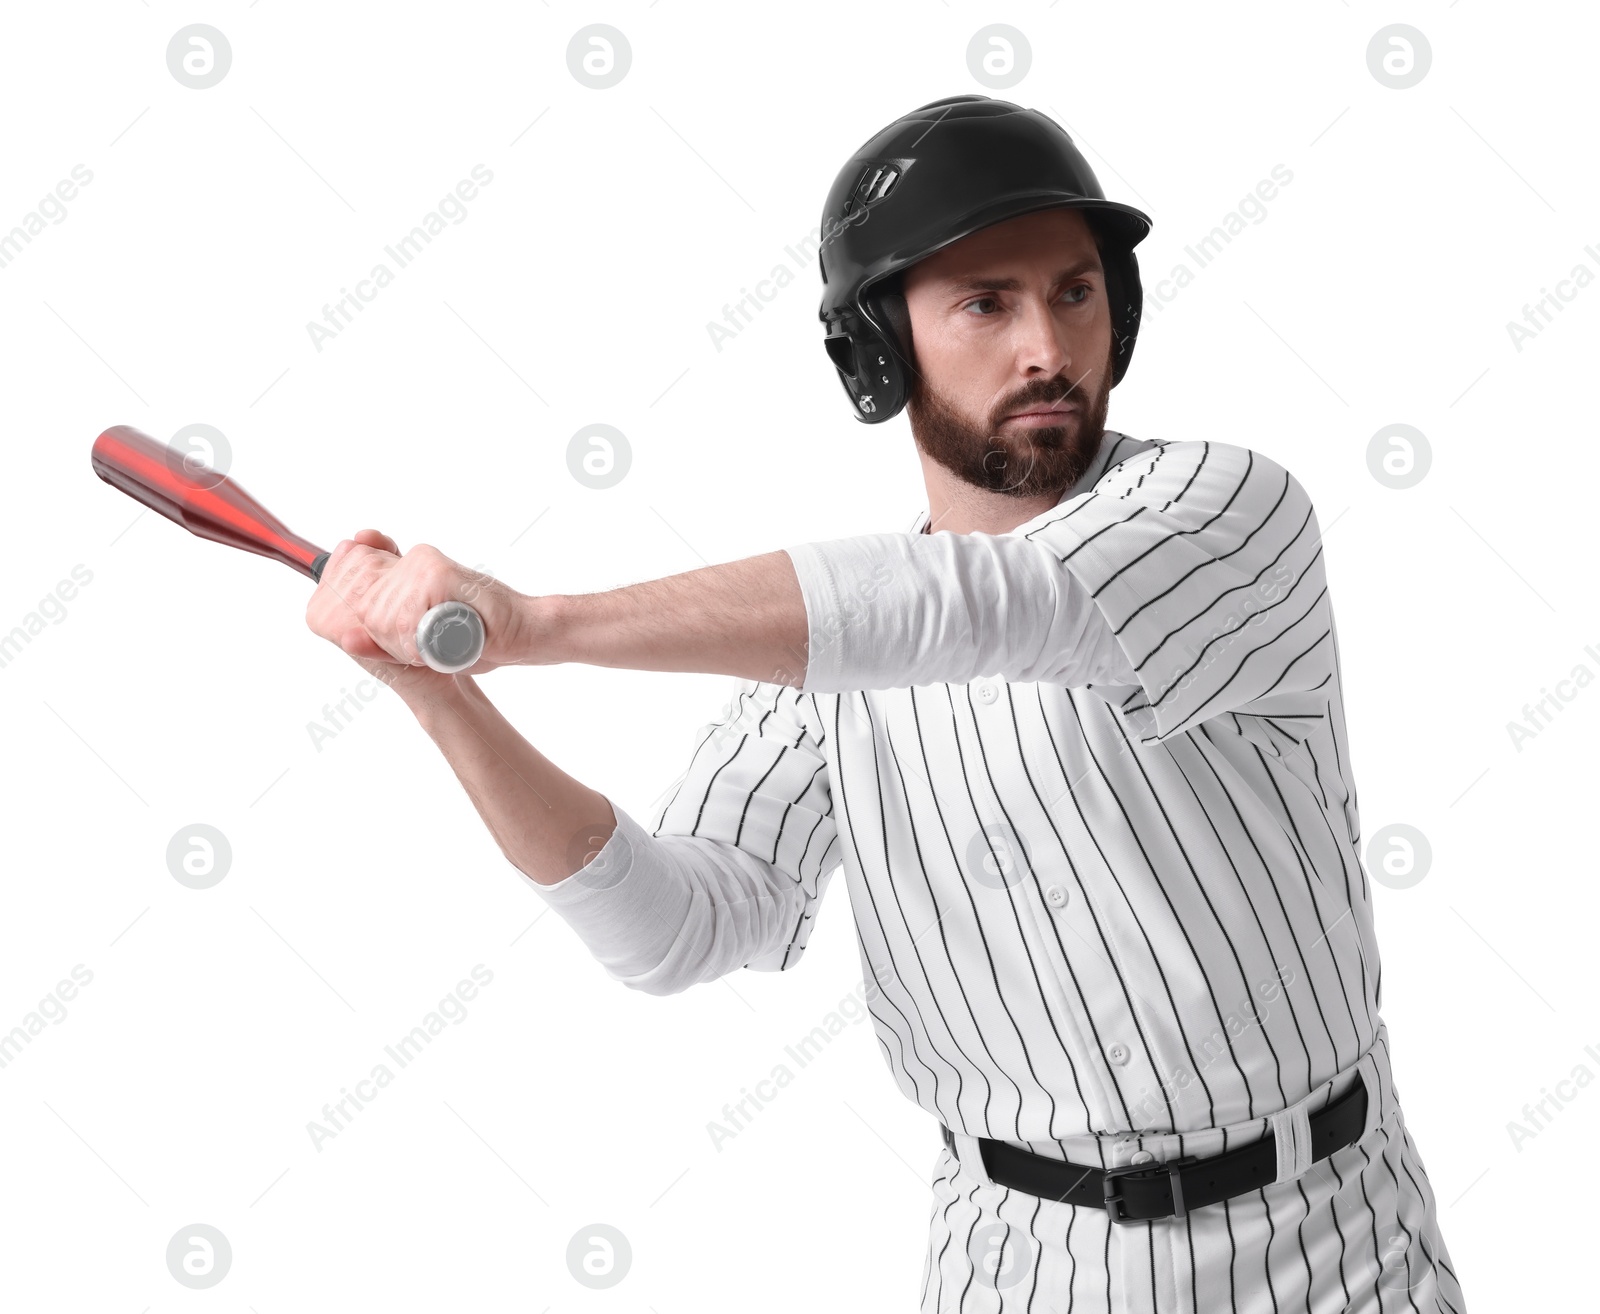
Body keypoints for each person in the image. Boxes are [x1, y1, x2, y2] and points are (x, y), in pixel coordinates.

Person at [305, 95, 1466, 1313]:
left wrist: (539, 626)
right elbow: (671, 930)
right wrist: (441, 697)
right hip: (1017, 1265)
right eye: (984, 302)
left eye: (1075, 292)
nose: (1045, 349)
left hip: (1331, 1248)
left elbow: (982, 605)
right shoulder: (822, 651)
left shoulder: (1224, 509)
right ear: (876, 348)